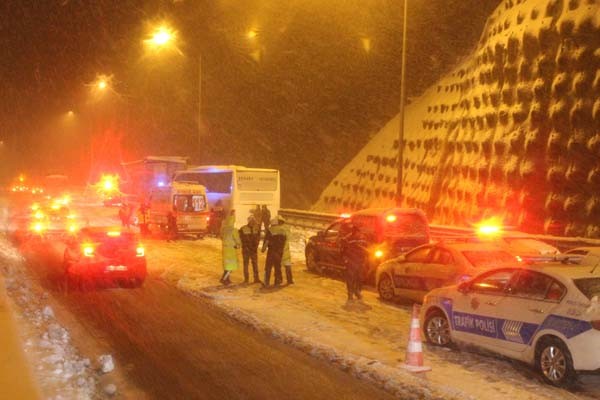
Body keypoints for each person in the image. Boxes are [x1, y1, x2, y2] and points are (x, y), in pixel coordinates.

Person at [340, 224, 368, 301]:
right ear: (354, 232)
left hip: (360, 261)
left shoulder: (363, 238)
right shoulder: (347, 239)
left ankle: (357, 291)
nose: (359, 233)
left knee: (359, 278)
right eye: (357, 232)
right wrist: (345, 259)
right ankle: (350, 293)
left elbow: (366, 248)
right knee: (351, 278)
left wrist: (366, 256)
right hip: (351, 261)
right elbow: (343, 250)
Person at [261, 217, 286, 287]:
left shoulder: (270, 230)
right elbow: (284, 241)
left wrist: (263, 249)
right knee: (277, 266)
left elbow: (267, 241)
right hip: (280, 251)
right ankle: (277, 281)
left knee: (268, 267)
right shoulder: (283, 230)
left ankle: (266, 282)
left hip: (272, 251)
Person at [220, 210, 241, 285]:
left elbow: (221, 237)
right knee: (231, 266)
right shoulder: (233, 230)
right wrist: (238, 245)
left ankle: (227, 279)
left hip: (225, 249)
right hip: (231, 250)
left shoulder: (224, 230)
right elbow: (237, 239)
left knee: (227, 265)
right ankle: (224, 279)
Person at [239, 215, 261, 284]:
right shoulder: (244, 228)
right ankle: (248, 279)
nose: (254, 222)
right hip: (248, 249)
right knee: (249, 264)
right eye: (253, 221)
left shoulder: (245, 228)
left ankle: (254, 279)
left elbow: (258, 238)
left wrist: (255, 246)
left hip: (250, 249)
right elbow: (240, 238)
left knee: (251, 264)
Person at [278, 216, 293, 285]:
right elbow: (289, 237)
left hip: (279, 250)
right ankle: (290, 280)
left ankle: (279, 280)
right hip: (286, 250)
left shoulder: (278, 229)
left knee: (278, 265)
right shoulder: (287, 228)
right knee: (287, 265)